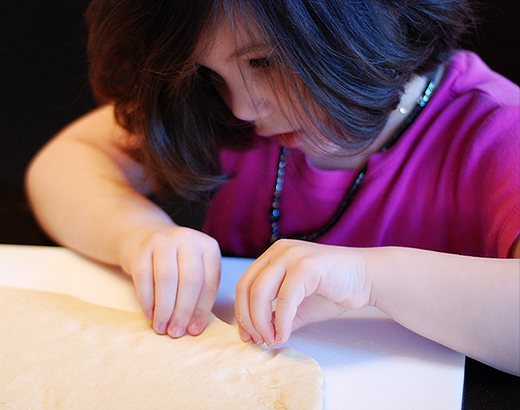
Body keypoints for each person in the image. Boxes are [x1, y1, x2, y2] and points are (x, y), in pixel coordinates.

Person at [25, 0, 520, 375]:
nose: (242, 107)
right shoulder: (220, 112)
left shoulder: (496, 129)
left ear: (375, 20)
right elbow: (66, 161)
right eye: (209, 73)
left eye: (264, 62)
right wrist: (136, 233)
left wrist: (372, 280)